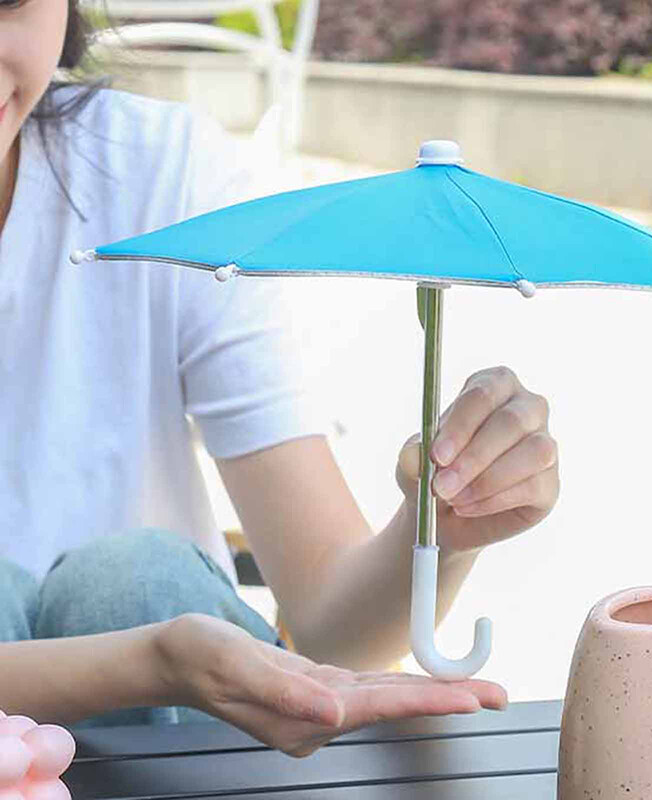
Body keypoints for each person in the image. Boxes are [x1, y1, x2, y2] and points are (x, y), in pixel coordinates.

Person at [0, 0, 560, 758]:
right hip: (159, 691)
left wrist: (443, 529)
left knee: (134, 581)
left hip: (167, 739)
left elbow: (333, 626)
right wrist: (150, 661)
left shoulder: (153, 176)